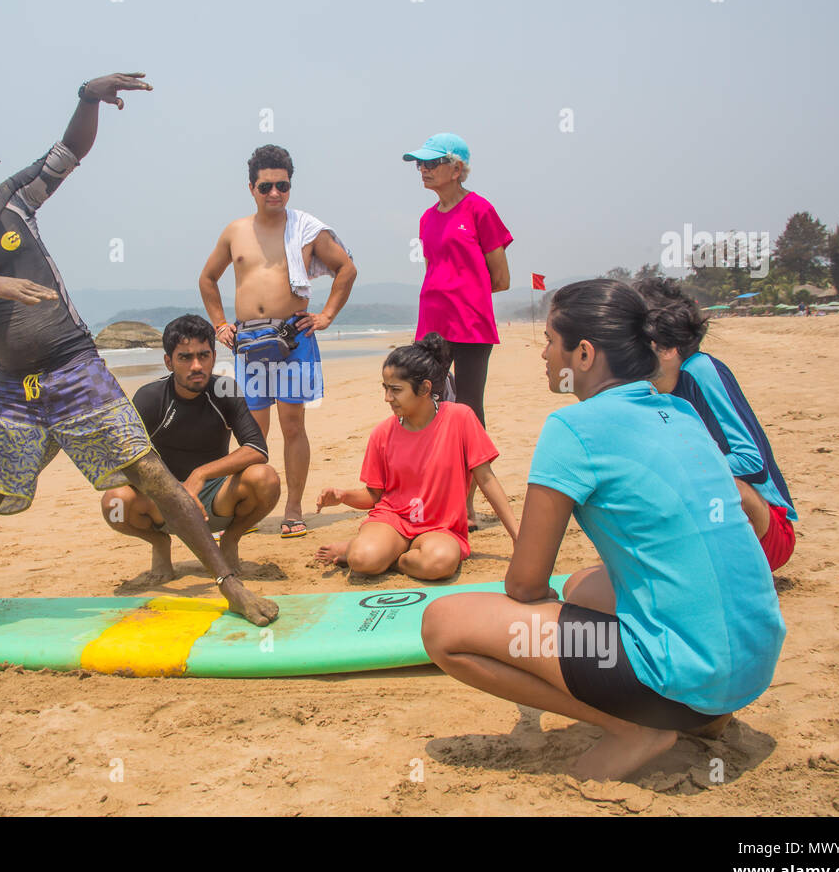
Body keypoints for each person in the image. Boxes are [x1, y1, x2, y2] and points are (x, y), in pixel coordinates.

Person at [0, 72, 277, 628]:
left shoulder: (12, 203)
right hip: (14, 388)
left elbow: (68, 152)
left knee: (153, 477)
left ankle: (228, 585)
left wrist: (86, 98)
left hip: (75, 366)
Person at [421, 280, 785, 782]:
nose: (544, 354)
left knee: (444, 626)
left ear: (585, 354)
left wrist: (544, 637)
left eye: (550, 341)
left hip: (683, 678)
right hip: (751, 662)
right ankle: (709, 717)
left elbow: (524, 584)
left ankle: (634, 727)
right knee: (579, 587)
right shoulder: (679, 410)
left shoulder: (572, 429)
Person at [198, 144, 358, 539]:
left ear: (290, 186)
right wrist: (219, 325)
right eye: (266, 186)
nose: (274, 193)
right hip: (249, 342)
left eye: (282, 186)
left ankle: (293, 508)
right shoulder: (235, 231)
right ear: (250, 187)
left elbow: (346, 269)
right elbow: (207, 279)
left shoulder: (306, 229)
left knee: (292, 425)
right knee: (252, 430)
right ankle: (245, 507)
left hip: (293, 337)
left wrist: (326, 316)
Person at [314, 334, 519, 579]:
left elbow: (486, 480)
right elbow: (373, 496)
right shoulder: (382, 433)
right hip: (394, 520)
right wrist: (342, 496)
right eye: (386, 388)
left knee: (438, 564)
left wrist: (519, 537)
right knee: (362, 561)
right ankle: (368, 551)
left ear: (424, 388)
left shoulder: (460, 418)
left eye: (396, 390)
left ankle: (387, 556)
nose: (387, 398)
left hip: (441, 528)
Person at [100, 315, 281, 585]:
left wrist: (201, 475)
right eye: (185, 357)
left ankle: (230, 540)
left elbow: (257, 449)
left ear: (213, 355)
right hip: (164, 502)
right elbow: (124, 459)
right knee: (113, 502)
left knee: (265, 478)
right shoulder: (150, 398)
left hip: (215, 501)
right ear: (168, 362)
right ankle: (159, 543)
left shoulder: (224, 390)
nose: (196, 366)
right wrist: (169, 489)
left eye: (203, 355)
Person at [634, 277, 797, 571]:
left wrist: (678, 471)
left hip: (766, 531)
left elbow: (752, 462)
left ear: (668, 347)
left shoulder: (701, 371)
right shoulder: (654, 389)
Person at [402, 133, 512, 530]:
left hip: (471, 325)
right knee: (425, 407)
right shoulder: (427, 218)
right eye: (420, 164)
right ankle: (430, 496)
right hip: (431, 327)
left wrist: (467, 293)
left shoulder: (481, 210)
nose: (424, 171)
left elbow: (500, 277)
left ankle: (467, 504)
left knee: (467, 410)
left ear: (457, 168)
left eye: (432, 164)